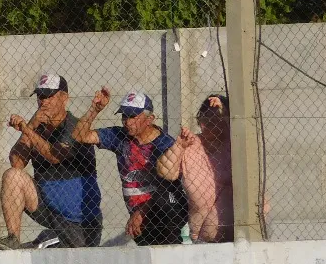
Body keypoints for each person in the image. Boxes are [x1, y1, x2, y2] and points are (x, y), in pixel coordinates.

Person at [0, 73, 103, 249]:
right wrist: (32, 125)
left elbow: (54, 156)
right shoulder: (37, 127)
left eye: (49, 96)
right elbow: (17, 163)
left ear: (64, 98)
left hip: (79, 221)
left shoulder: (74, 127)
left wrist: (27, 130)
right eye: (40, 96)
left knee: (57, 251)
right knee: (12, 176)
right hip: (48, 209)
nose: (43, 102)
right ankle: (13, 239)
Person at [72, 88, 186, 246]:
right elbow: (80, 136)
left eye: (133, 116)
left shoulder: (164, 144)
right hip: (138, 216)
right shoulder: (121, 137)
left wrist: (141, 212)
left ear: (149, 119)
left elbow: (169, 188)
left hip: (165, 212)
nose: (127, 121)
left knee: (164, 207)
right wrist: (95, 110)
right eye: (124, 116)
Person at [179, 94, 233, 243]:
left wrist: (224, 111)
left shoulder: (233, 143)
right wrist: (178, 147)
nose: (206, 125)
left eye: (214, 118)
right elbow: (167, 173)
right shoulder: (190, 144)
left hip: (238, 234)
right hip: (202, 237)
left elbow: (239, 130)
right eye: (204, 119)